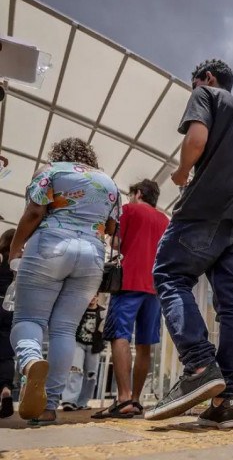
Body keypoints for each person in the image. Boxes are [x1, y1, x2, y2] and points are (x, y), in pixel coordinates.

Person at [146, 59, 233, 429]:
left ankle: (198, 363)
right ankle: (227, 399)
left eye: (193, 81)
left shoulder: (206, 94)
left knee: (169, 275)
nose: (191, 88)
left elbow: (196, 139)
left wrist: (181, 173)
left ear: (208, 79)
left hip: (207, 205)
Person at [9, 137, 119, 424]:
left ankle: (31, 360)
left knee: (29, 318)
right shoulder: (108, 183)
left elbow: (34, 212)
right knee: (64, 330)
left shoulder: (51, 171)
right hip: (91, 257)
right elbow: (110, 227)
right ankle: (50, 405)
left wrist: (15, 248)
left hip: (50, 246)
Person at [97, 179, 169, 419]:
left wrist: (110, 238)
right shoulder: (164, 220)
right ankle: (136, 399)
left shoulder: (128, 210)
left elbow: (117, 242)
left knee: (120, 335)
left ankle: (123, 398)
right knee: (145, 343)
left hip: (129, 281)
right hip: (154, 287)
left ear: (138, 193)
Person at [61, 294, 106, 411]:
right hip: (78, 343)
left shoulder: (103, 312)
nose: (92, 299)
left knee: (91, 375)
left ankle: (82, 401)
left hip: (94, 346)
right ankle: (69, 400)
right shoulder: (80, 310)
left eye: (95, 296)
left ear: (97, 297)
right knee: (75, 370)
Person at [0, 228, 16, 418]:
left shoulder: (1, 258)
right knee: (6, 355)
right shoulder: (19, 263)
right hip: (11, 308)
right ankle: (5, 389)